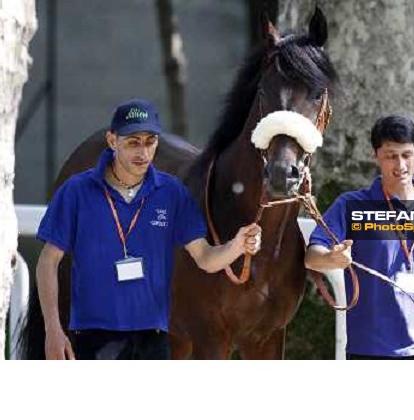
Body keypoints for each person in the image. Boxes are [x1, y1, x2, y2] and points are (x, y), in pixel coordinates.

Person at [36, 99, 261, 360]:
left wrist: (237, 245)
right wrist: (52, 329)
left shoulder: (172, 192)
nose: (143, 153)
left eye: (150, 141)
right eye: (133, 142)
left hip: (153, 340)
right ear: (112, 141)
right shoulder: (76, 192)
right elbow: (47, 262)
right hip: (95, 336)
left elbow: (206, 258)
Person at [305, 115, 414, 360]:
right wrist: (332, 259)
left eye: (406, 154)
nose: (400, 165)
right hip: (372, 352)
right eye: (390, 155)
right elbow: (312, 257)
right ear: (376, 155)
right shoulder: (350, 205)